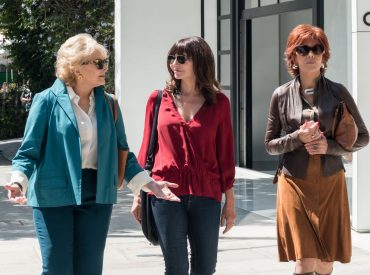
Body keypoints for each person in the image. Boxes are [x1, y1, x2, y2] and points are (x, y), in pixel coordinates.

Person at [4, 33, 179, 275]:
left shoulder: (109, 104)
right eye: (98, 63)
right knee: (58, 268)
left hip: (97, 194)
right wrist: (18, 182)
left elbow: (123, 154)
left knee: (90, 269)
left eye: (105, 62)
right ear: (77, 68)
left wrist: (150, 185)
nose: (104, 68)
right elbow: (28, 151)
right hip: (53, 195)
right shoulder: (46, 101)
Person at [265, 24, 369, 275]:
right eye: (303, 49)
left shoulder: (337, 92)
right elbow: (269, 145)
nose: (310, 54)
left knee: (324, 262)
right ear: (293, 56)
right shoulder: (280, 95)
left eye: (317, 48)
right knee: (305, 261)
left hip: (330, 182)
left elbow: (363, 136)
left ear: (324, 55)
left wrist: (329, 146)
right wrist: (297, 137)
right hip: (294, 182)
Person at [130, 36, 237, 275]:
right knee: (176, 267)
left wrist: (229, 202)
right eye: (171, 58)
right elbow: (146, 146)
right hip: (166, 193)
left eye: (181, 58)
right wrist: (139, 193)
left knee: (205, 268)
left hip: (207, 195)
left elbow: (226, 155)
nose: (174, 64)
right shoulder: (157, 99)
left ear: (199, 61)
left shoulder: (219, 103)